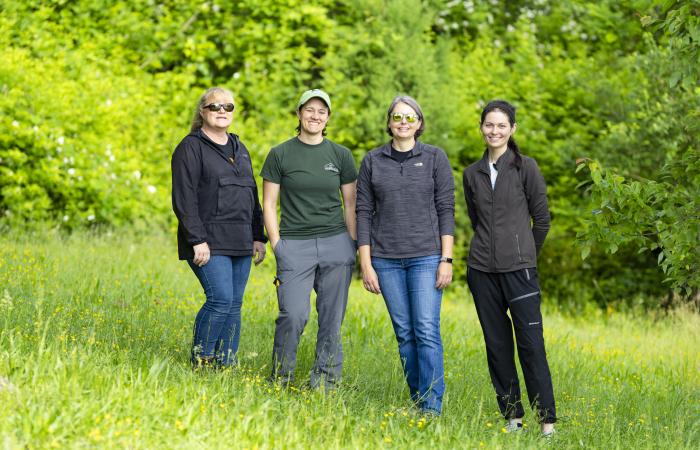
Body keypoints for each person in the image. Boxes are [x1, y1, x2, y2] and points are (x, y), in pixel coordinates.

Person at [356, 95, 455, 416]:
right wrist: (366, 263)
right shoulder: (372, 160)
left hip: (427, 257)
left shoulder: (435, 158)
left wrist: (447, 259)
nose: (403, 122)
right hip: (385, 260)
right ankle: (418, 400)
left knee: (426, 329)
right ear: (388, 122)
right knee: (405, 333)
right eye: (397, 117)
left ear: (419, 124)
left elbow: (446, 210)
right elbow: (363, 213)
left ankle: (431, 407)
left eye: (410, 118)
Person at [462, 100, 556, 436]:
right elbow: (476, 220)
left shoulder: (525, 167)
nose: (495, 131)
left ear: (512, 129)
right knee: (498, 346)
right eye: (489, 124)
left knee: (531, 345)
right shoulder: (471, 173)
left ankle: (547, 424)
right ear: (482, 127)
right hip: (482, 271)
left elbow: (542, 219)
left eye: (502, 125)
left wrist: (525, 253)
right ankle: (513, 418)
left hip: (520, 271)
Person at [261, 89, 357, 389]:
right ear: (299, 113)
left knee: (331, 320)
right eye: (310, 110)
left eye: (322, 111)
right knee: (293, 314)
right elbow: (269, 204)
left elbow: (351, 204)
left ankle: (326, 382)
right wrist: (277, 245)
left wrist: (351, 244)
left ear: (327, 117)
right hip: (294, 246)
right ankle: (281, 378)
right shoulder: (280, 154)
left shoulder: (340, 155)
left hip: (335, 243)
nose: (315, 116)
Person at [171, 87, 267, 369]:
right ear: (202, 112)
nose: (222, 111)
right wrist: (196, 239)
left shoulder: (240, 147)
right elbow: (183, 198)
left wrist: (258, 236)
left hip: (240, 240)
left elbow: (252, 194)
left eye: (228, 107)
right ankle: (202, 360)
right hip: (208, 242)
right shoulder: (190, 147)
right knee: (220, 299)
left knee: (234, 304)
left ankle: (226, 365)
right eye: (215, 107)